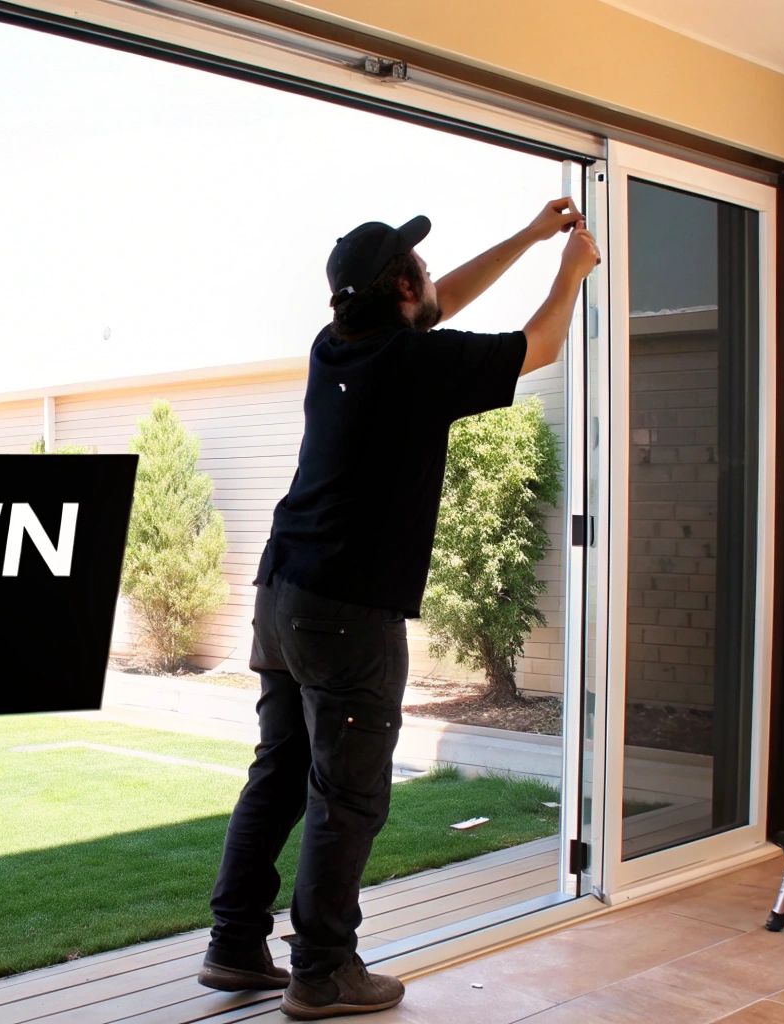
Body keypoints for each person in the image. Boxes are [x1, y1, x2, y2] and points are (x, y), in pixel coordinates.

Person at [196, 202, 599, 1019]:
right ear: (403, 288)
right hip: (348, 610)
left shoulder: (337, 345)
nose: (430, 274)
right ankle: (323, 974)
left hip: (282, 594)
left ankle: (234, 945)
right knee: (346, 796)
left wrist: (527, 237)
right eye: (420, 267)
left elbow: (440, 300)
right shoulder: (414, 364)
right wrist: (570, 268)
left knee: (280, 772)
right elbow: (543, 344)